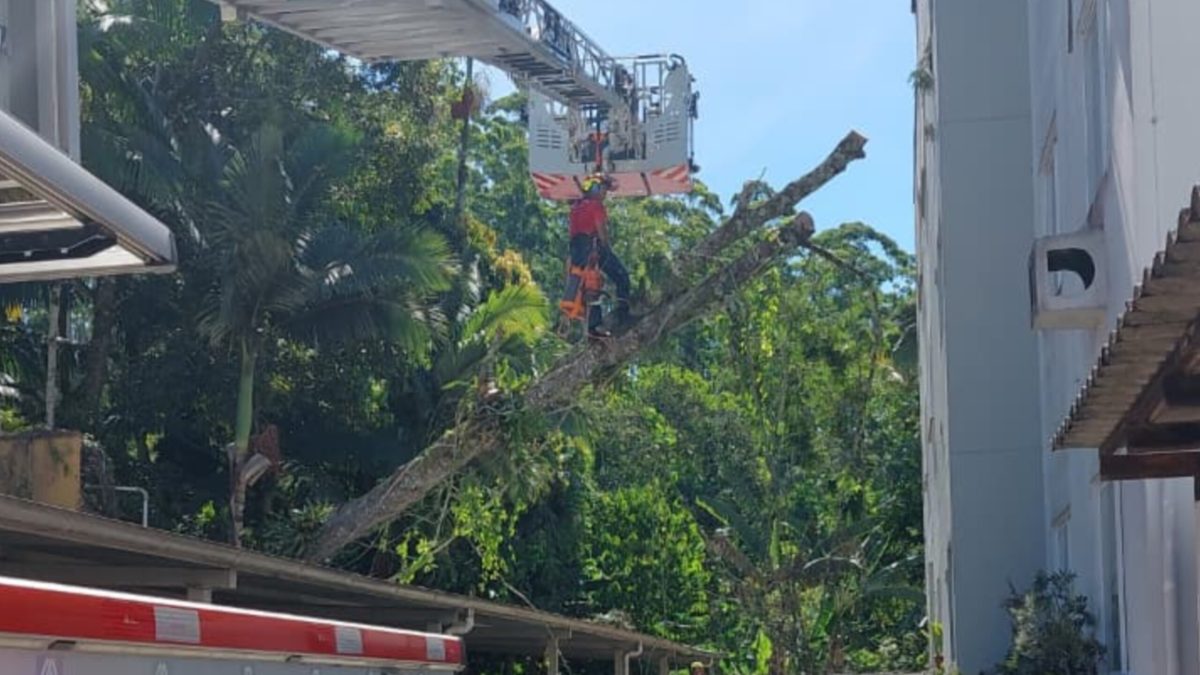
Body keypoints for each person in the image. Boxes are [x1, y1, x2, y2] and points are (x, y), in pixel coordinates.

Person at [568, 174, 630, 338]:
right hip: (593, 248)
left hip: (577, 252)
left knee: (591, 287)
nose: (605, 194)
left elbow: (573, 233)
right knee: (622, 276)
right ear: (595, 188)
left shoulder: (576, 207)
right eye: (603, 189)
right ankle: (623, 312)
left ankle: (593, 327)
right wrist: (607, 249)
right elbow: (602, 232)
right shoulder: (596, 206)